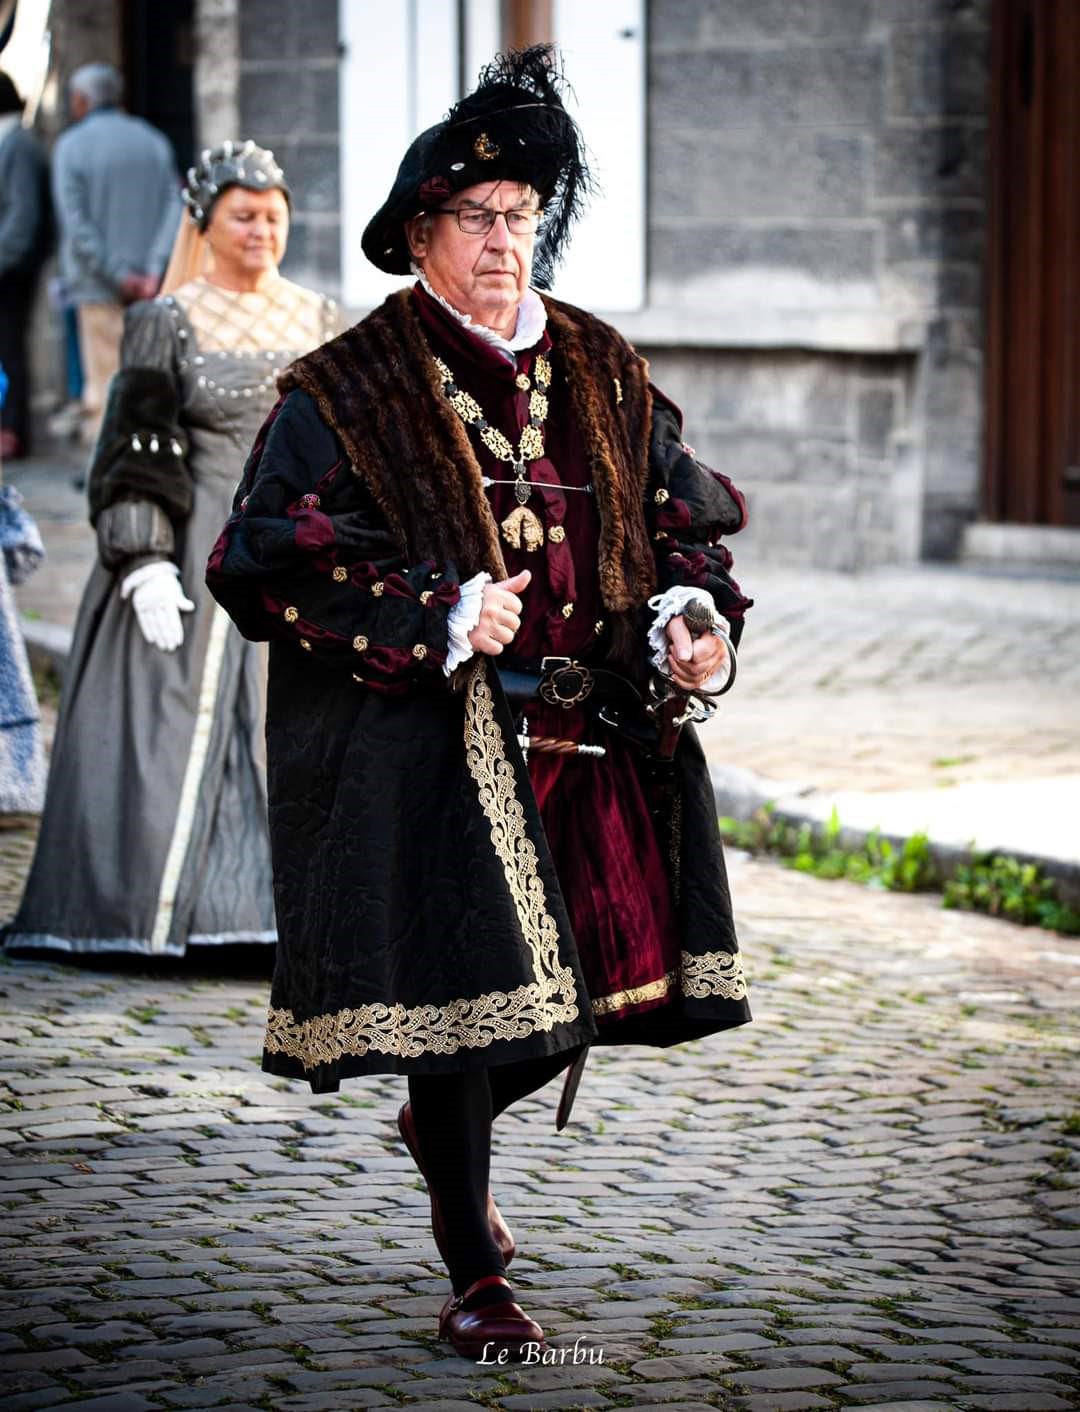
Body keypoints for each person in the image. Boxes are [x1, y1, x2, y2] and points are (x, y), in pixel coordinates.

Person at [207, 49, 751, 1361]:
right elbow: (262, 559)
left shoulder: (605, 371)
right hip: (433, 745)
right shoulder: (350, 388)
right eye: (477, 218)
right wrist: (434, 611)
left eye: (521, 216)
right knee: (468, 1004)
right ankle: (473, 1265)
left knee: (588, 995)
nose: (506, 240)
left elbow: (687, 527)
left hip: (596, 737)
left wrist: (692, 622)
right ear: (418, 235)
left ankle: (445, 1139)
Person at [5, 141, 338, 956]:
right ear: (207, 222)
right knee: (169, 724)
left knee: (293, 724)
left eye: (273, 216)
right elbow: (131, 444)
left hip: (295, 550)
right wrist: (143, 556)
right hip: (195, 544)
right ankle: (155, 915)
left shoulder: (321, 317)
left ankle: (284, 920)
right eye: (243, 215)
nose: (261, 229)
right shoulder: (167, 318)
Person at [51, 63, 180, 446]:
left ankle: (108, 472)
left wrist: (117, 274)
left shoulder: (70, 146)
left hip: (98, 286)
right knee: (149, 384)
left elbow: (75, 224)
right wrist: (153, 270)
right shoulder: (153, 140)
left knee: (104, 389)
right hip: (150, 286)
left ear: (81, 100)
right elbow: (175, 207)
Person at [0, 71, 50, 460]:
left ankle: (11, 429)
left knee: (9, 347)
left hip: (10, 270)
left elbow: (22, 212)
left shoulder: (16, 142)